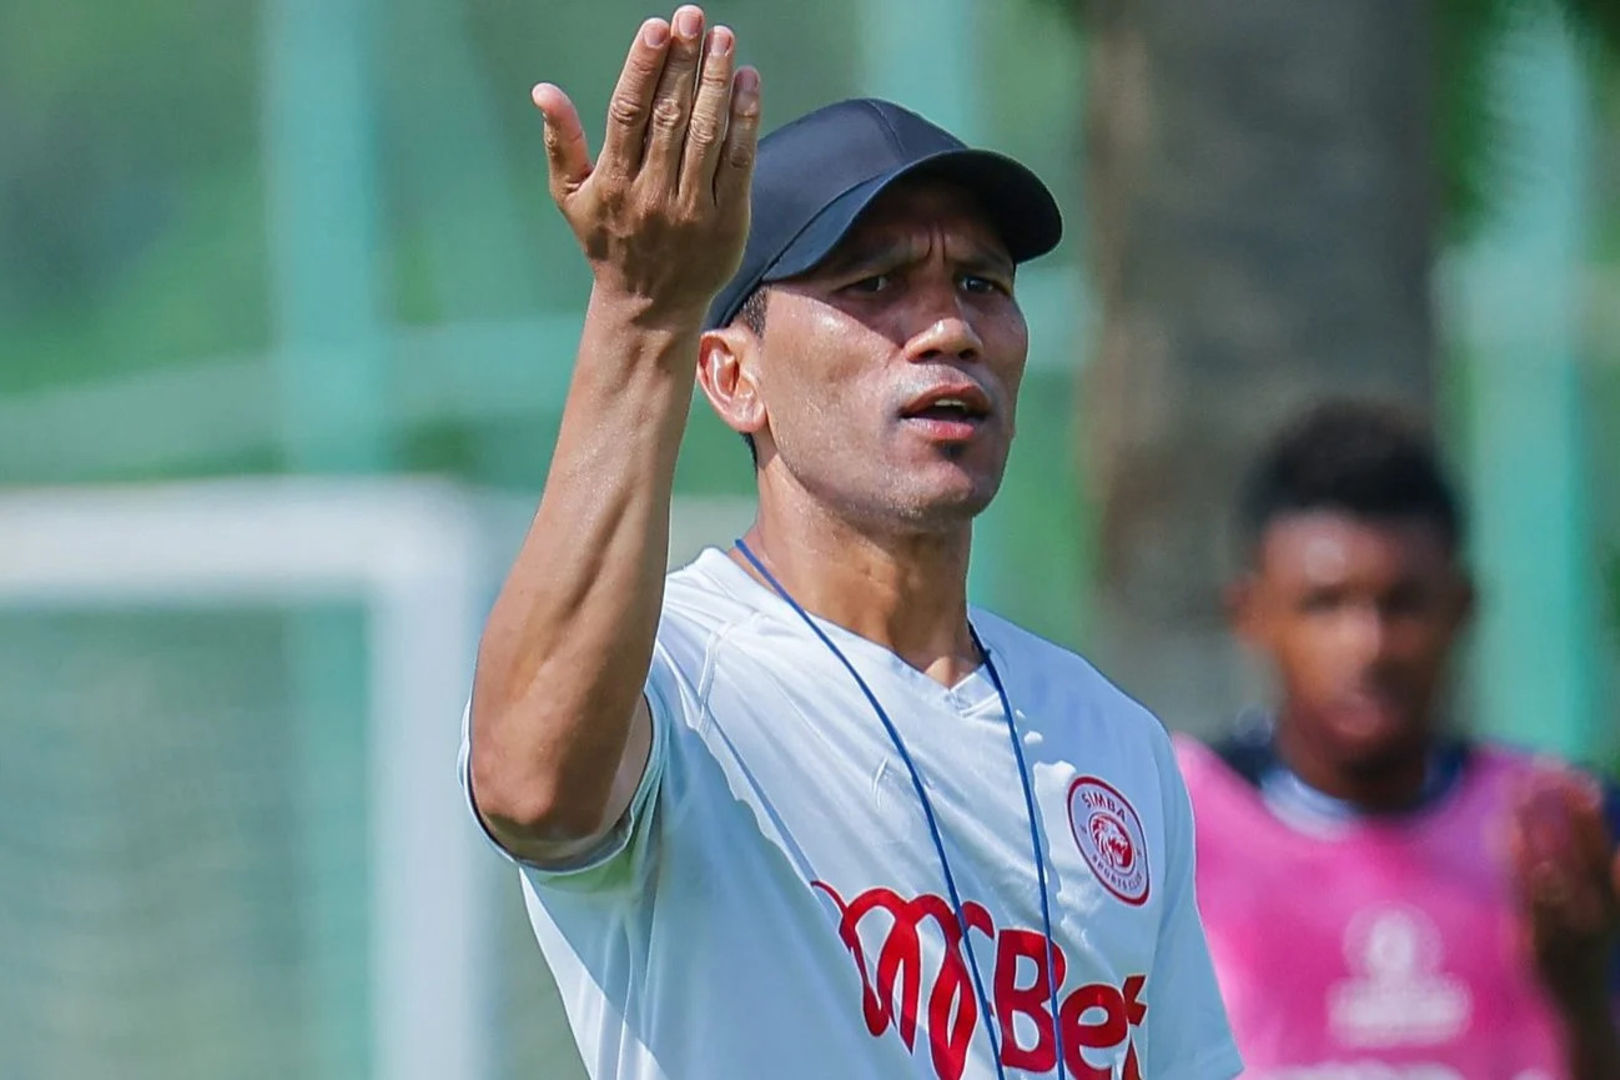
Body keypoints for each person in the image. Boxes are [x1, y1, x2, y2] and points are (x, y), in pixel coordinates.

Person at [460, 6, 1240, 1079]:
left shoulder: (1111, 740)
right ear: (734, 376)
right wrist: (642, 311)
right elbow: (531, 788)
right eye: (873, 285)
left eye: (982, 283)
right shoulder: (676, 680)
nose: (950, 328)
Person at [1176, 400, 1620, 1080]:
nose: (1369, 646)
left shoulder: (1562, 831)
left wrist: (1583, 997)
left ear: (1461, 608)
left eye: (1403, 602)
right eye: (1325, 605)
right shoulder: (1172, 823)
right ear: (1251, 614)